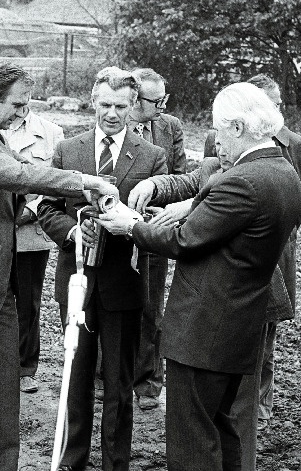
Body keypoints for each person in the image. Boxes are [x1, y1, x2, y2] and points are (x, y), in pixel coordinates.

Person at [99, 82, 301, 471]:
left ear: (239, 128)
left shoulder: (242, 180)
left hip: (204, 329)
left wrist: (130, 226)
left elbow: (184, 239)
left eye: (219, 131)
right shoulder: (282, 172)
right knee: (220, 427)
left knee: (192, 439)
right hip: (237, 325)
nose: (215, 143)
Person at [0, 62, 119, 471]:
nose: (22, 113)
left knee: (4, 388)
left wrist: (76, 206)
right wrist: (87, 182)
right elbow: (19, 174)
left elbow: (31, 175)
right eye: (17, 104)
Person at [38, 67, 167, 471]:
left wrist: (128, 222)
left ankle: (116, 462)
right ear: (92, 102)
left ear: (134, 107)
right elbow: (46, 208)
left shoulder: (151, 157)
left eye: (121, 106)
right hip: (77, 283)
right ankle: (72, 460)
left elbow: (157, 219)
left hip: (124, 284)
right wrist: (76, 230)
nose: (112, 114)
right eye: (105, 105)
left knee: (118, 384)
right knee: (76, 380)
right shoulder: (68, 150)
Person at [126, 67, 186, 411]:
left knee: (151, 307)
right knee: (112, 302)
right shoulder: (113, 125)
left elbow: (180, 178)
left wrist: (164, 209)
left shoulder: (169, 127)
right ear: (135, 98)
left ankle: (148, 382)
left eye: (165, 99)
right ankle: (105, 377)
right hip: (118, 229)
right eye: (155, 100)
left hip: (155, 229)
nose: (162, 106)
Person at [0, 105, 65, 394]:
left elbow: (53, 184)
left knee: (28, 302)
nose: (17, 105)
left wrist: (28, 211)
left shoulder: (51, 132)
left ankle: (26, 367)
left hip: (30, 231)